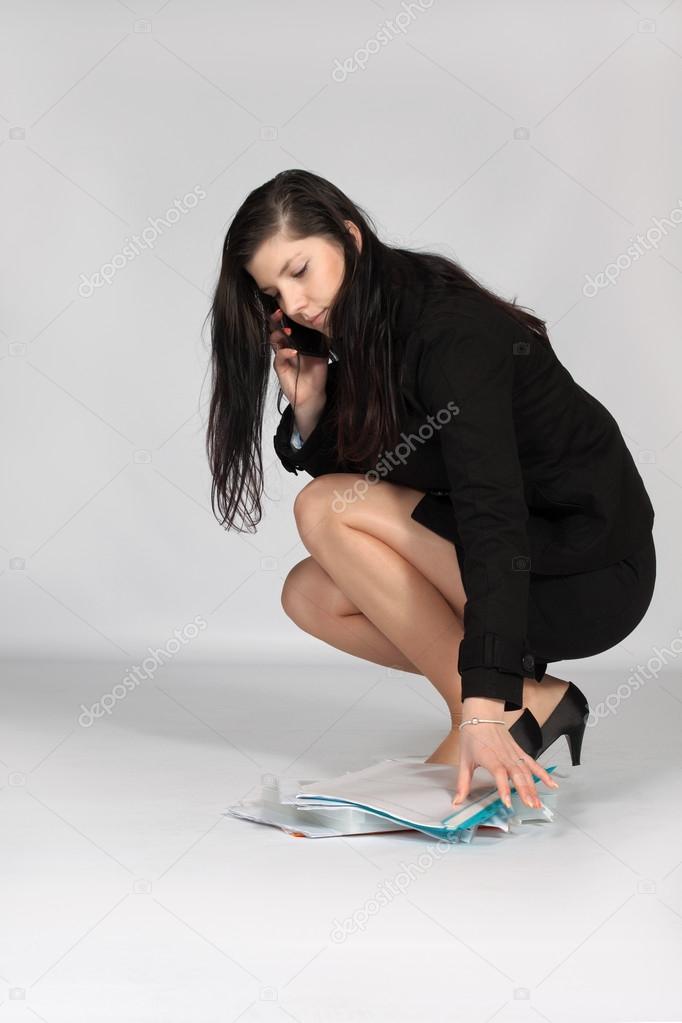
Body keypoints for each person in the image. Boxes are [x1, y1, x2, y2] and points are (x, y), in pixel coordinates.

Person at [205, 169, 656, 814]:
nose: (296, 303)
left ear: (350, 238)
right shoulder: (366, 322)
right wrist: (309, 409)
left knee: (321, 508)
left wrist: (479, 704)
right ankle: (525, 704)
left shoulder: (450, 331)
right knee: (310, 595)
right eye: (274, 290)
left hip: (585, 572)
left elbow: (490, 510)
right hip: (513, 556)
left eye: (301, 269)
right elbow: (390, 466)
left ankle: (493, 712)